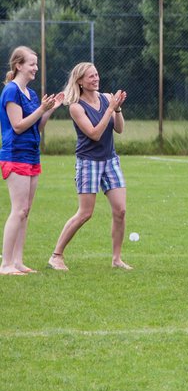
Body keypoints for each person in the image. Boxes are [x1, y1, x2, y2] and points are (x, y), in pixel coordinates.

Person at [48, 63, 131, 271]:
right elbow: (94, 134)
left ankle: (116, 259)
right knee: (85, 213)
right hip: (88, 162)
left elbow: (119, 129)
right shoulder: (76, 107)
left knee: (120, 210)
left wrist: (117, 108)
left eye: (96, 74)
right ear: (80, 82)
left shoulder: (105, 98)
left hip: (110, 160)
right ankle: (56, 256)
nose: (96, 78)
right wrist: (110, 109)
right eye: (91, 76)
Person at [1, 47, 62, 275]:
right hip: (15, 155)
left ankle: (17, 262)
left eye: (36, 64)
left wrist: (49, 110)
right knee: (18, 210)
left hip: (32, 155)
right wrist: (41, 110)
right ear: (19, 65)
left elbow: (37, 126)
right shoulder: (11, 91)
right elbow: (17, 125)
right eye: (31, 64)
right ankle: (5, 264)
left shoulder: (32, 94)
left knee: (25, 211)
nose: (36, 68)